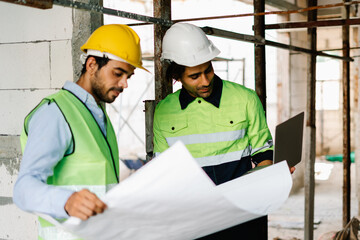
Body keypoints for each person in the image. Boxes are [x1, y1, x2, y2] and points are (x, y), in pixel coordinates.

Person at [13, 24, 147, 239]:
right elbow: (23, 190)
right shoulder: (55, 113)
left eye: (128, 77)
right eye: (118, 73)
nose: (124, 84)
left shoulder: (97, 117)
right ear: (92, 64)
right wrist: (67, 201)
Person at [153, 22, 274, 239]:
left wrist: (271, 174)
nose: (205, 81)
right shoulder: (163, 112)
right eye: (194, 76)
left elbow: (264, 154)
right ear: (177, 76)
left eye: (208, 70)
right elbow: (165, 171)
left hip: (244, 215)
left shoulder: (245, 99)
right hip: (195, 220)